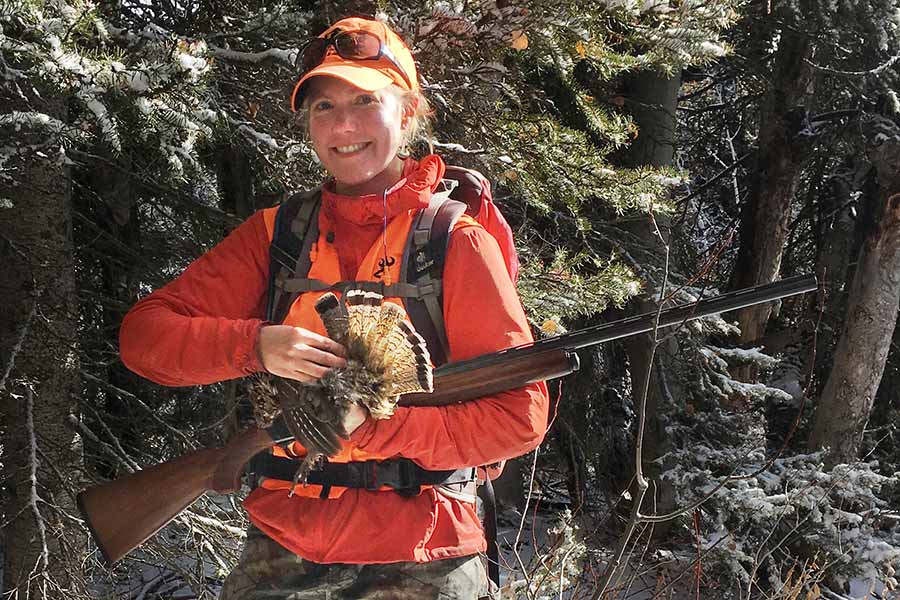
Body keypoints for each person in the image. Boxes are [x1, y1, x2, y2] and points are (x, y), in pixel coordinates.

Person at [119, 16, 549, 599]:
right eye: (323, 107)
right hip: (282, 548)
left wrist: (378, 426)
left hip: (425, 551)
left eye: (366, 100)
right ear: (307, 123)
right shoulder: (277, 236)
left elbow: (519, 419)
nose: (344, 125)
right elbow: (145, 340)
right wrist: (254, 346)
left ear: (409, 111)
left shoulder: (456, 240)